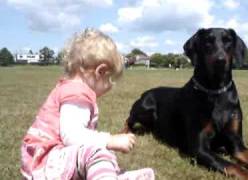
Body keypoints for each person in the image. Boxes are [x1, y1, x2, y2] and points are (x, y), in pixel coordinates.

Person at [20, 28, 155, 180]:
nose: (111, 86)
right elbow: (72, 136)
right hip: (48, 161)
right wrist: (110, 140)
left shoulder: (69, 88)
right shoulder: (77, 93)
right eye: (111, 80)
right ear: (101, 71)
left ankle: (116, 175)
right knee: (97, 152)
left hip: (50, 160)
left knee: (98, 152)